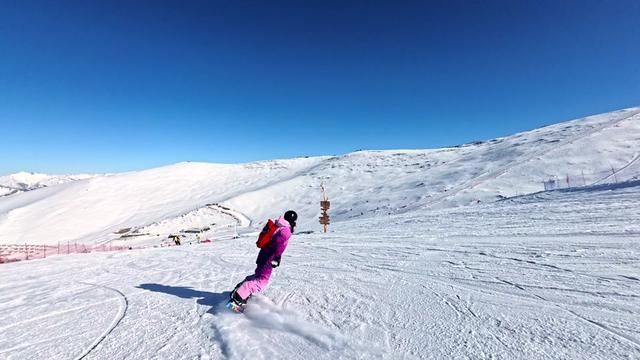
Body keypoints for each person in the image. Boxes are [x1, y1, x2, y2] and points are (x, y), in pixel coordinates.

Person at [229, 210, 297, 308]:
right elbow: (279, 245)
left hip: (264, 255)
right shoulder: (285, 230)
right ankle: (238, 297)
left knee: (258, 276)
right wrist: (277, 257)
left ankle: (241, 289)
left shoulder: (279, 225)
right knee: (262, 281)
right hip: (269, 258)